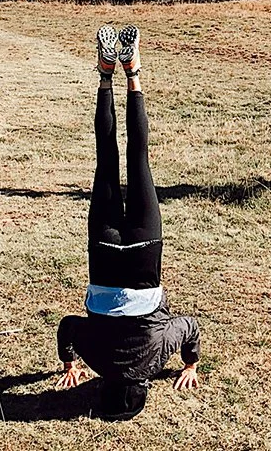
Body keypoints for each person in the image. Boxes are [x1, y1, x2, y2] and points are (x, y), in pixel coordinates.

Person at [55, 25, 201, 421]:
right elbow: (68, 327)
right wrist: (69, 363)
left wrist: (190, 364)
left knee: (139, 159)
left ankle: (132, 73)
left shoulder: (155, 358)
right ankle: (106, 75)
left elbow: (189, 327)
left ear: (142, 389)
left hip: (142, 251)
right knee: (106, 159)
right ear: (101, 386)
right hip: (103, 255)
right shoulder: (97, 359)